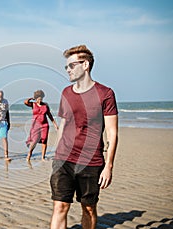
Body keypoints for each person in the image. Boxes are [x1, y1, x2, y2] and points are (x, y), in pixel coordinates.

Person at [50, 45, 118, 229]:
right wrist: (56, 155)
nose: (68, 70)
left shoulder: (106, 94)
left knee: (88, 208)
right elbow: (63, 125)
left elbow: (112, 132)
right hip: (64, 159)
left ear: (85, 65)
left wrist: (109, 166)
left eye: (71, 66)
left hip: (91, 161)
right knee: (60, 206)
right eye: (66, 67)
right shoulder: (66, 92)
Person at [24, 90, 58, 161]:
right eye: (38, 99)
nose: (40, 100)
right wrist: (31, 98)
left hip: (45, 125)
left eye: (41, 99)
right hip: (35, 125)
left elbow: (49, 115)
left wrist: (55, 124)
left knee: (44, 141)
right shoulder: (33, 104)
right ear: (36, 98)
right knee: (34, 140)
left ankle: (43, 157)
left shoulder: (45, 105)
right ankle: (29, 154)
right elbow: (25, 102)